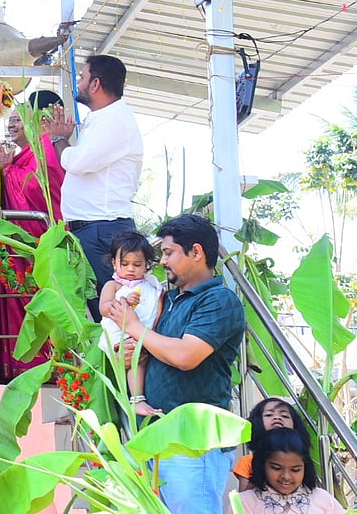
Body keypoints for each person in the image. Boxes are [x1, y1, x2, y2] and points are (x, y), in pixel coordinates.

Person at [107, 213, 245, 514]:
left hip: (193, 447)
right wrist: (131, 352)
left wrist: (134, 328)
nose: (163, 261)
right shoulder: (166, 300)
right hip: (154, 439)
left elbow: (185, 356)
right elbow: (155, 349)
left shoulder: (219, 300)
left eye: (169, 252)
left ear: (196, 252)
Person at [43, 54, 143, 319]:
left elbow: (78, 162)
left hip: (102, 228)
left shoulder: (113, 119)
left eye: (82, 77)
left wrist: (58, 139)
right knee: (101, 311)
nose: (79, 83)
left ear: (96, 84)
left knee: (112, 313)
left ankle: (119, 361)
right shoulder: (105, 118)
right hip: (95, 228)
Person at [0, 90, 65, 380]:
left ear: (39, 118)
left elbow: (36, 191)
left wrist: (7, 169)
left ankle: (38, 369)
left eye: (19, 118)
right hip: (21, 244)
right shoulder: (28, 152)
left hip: (36, 244)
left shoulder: (45, 146)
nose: (12, 125)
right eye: (11, 119)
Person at [98, 230, 161, 416]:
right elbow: (104, 308)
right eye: (124, 264)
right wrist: (123, 302)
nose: (131, 269)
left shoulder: (150, 286)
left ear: (147, 265)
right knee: (137, 362)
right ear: (114, 263)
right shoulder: (113, 286)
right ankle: (137, 398)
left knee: (143, 358)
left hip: (144, 333)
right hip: (121, 334)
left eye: (137, 264)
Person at [239, 427, 343, 514]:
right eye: (276, 468)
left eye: (295, 470)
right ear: (262, 465)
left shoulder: (323, 499)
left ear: (305, 467)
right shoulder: (245, 502)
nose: (286, 476)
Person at [234, 397, 313, 492]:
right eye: (269, 414)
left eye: (284, 416)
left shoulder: (300, 457)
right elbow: (243, 498)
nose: (277, 417)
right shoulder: (247, 462)